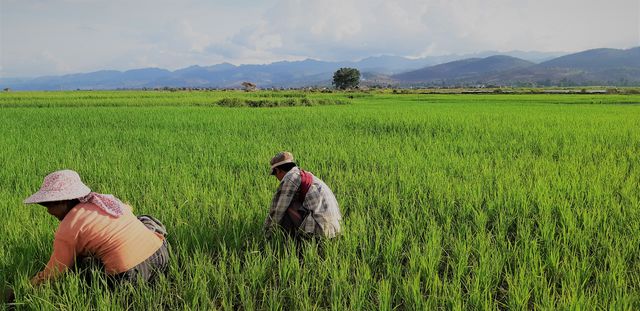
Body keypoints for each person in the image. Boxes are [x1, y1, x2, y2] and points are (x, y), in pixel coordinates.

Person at [22, 170, 169, 288]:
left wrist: (24, 286)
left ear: (63, 201)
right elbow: (128, 209)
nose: (48, 212)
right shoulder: (104, 202)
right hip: (161, 255)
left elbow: (54, 272)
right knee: (144, 219)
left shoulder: (68, 229)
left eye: (49, 205)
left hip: (130, 276)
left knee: (84, 265)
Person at [264, 152, 342, 239]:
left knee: (287, 209)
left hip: (321, 230)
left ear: (278, 170)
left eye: (275, 174)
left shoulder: (290, 177)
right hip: (334, 228)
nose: (277, 178)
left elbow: (278, 210)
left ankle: (294, 244)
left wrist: (268, 234)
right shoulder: (303, 174)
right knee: (293, 202)